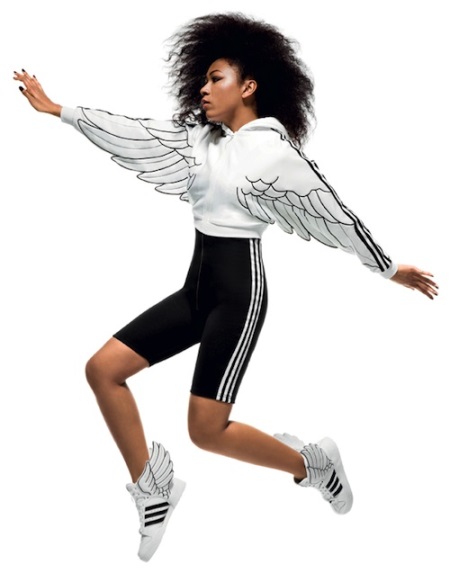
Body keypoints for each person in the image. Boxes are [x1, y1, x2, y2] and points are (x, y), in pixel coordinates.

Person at [14, 12, 438, 563]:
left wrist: (388, 268)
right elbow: (137, 133)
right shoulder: (204, 142)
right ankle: (154, 487)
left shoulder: (274, 153)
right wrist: (61, 111)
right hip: (196, 289)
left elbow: (335, 214)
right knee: (102, 370)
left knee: (206, 432)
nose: (204, 88)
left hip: (240, 294)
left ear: (249, 86)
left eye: (216, 78)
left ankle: (313, 465)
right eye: (204, 78)